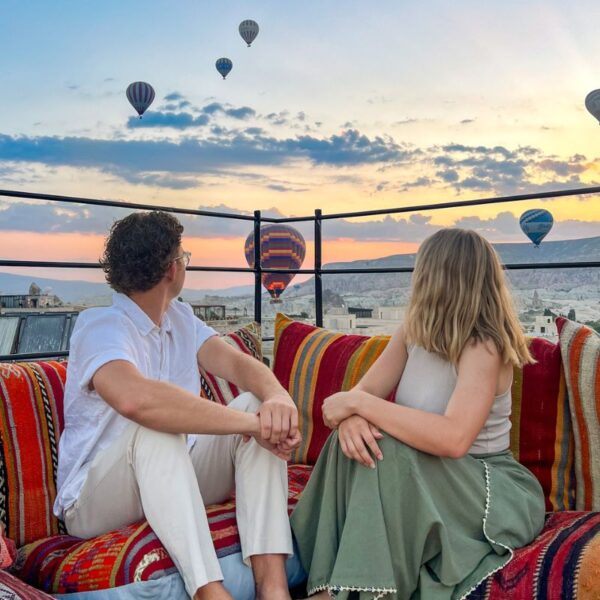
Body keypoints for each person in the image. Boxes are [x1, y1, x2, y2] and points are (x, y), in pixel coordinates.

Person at [53, 211, 301, 600]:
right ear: (173, 269)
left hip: (174, 476)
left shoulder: (180, 318)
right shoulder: (101, 326)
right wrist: (250, 426)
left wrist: (277, 398)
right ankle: (209, 590)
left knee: (255, 402)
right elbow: (136, 399)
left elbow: (236, 363)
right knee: (156, 428)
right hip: (95, 502)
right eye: (184, 256)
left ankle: (273, 587)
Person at [290, 228, 546, 600]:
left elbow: (454, 438)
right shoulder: (413, 330)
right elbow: (356, 397)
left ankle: (358, 590)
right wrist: (354, 418)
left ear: (438, 276)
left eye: (420, 269)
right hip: (422, 472)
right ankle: (321, 579)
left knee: (386, 451)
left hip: (484, 485)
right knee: (354, 443)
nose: (415, 279)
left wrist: (362, 407)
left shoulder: (483, 346)